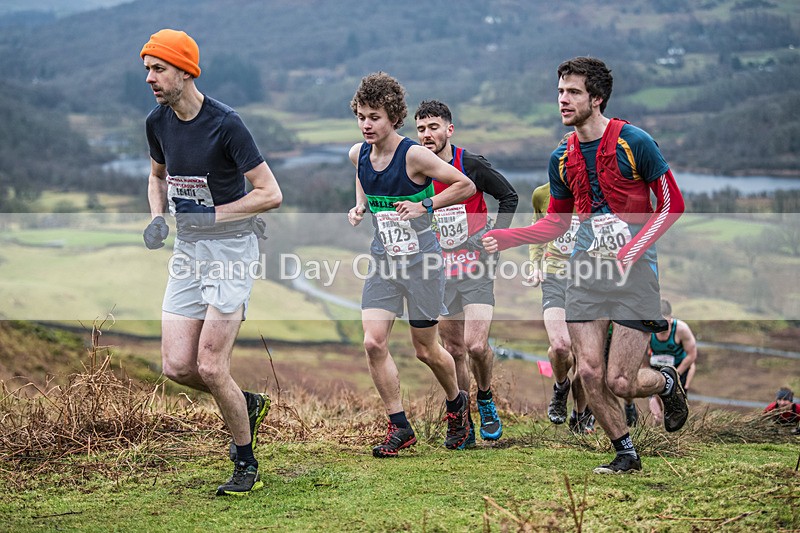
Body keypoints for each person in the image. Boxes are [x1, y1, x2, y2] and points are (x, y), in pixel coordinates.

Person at [483, 56, 688, 474]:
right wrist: (506, 237)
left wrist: (633, 249)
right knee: (590, 371)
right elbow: (554, 223)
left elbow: (672, 204)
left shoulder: (635, 142)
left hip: (635, 277)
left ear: (596, 98)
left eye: (573, 91)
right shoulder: (561, 156)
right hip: (585, 275)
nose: (562, 99)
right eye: (560, 91)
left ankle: (667, 384)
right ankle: (625, 453)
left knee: (621, 382)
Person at [140, 29, 282, 495]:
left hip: (232, 251)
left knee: (210, 367)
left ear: (185, 70)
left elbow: (271, 194)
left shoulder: (226, 124)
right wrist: (159, 217)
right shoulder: (156, 123)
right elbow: (157, 176)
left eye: (158, 68)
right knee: (177, 367)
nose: (150, 78)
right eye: (147, 69)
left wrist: (213, 214)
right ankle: (246, 403)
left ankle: (246, 464)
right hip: (188, 252)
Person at [347, 73, 476, 457]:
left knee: (425, 350)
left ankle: (456, 403)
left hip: (422, 263)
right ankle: (399, 426)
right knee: (373, 342)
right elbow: (364, 179)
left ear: (393, 118)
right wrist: (360, 206)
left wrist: (425, 206)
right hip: (384, 262)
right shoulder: (358, 153)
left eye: (375, 117)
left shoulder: (414, 155)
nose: (367, 125)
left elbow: (464, 186)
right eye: (361, 116)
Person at [414, 100, 519, 445]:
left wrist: (496, 237)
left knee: (475, 346)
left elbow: (508, 196)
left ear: (449, 129)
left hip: (476, 268)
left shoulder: (469, 164)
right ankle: (463, 422)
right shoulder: (417, 170)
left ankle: (485, 397)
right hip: (440, 272)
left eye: (433, 127)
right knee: (454, 350)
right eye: (421, 129)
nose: (427, 135)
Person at [527, 183, 594, 434]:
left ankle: (579, 415)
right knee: (560, 346)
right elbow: (537, 233)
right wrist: (535, 265)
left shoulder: (595, 194)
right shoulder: (542, 194)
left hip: (586, 281)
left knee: (584, 356)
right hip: (554, 277)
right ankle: (560, 386)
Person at [624, 298, 697, 427]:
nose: (663, 325)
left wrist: (674, 376)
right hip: (656, 370)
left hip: (679, 370)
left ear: (671, 317)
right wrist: (648, 376)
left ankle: (678, 432)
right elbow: (643, 357)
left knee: (677, 407)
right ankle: (656, 432)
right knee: (656, 412)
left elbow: (691, 355)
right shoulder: (648, 331)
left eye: (666, 321)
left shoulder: (681, 329)